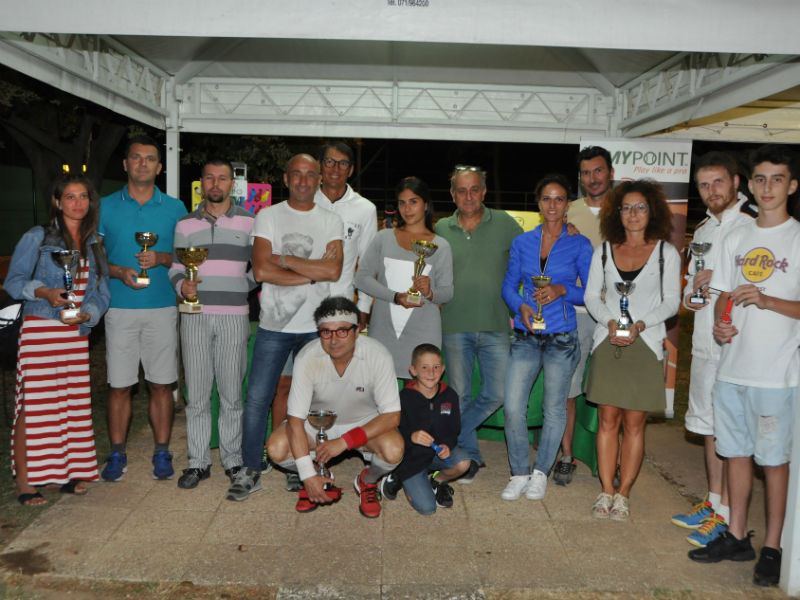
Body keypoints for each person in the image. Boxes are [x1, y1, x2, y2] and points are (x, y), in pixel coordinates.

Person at [689, 145, 800, 588]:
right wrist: (721, 323)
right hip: (731, 369)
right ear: (749, 185)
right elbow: (722, 295)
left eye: (777, 179)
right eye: (761, 179)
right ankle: (737, 535)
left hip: (776, 375)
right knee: (733, 453)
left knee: (773, 462)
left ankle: (772, 546)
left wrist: (769, 301)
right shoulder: (736, 237)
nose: (768, 187)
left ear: (792, 185)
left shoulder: (797, 238)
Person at [227, 153, 343, 502]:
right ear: (286, 178)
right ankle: (251, 468)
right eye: (297, 174)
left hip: (315, 328)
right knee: (257, 398)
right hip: (273, 327)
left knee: (309, 402)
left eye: (310, 174)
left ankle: (297, 466)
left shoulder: (331, 220)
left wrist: (284, 259)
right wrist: (311, 271)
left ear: (319, 179)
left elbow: (334, 271)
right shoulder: (268, 215)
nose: (303, 181)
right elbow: (261, 271)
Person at [271, 141, 378, 491]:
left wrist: (363, 308)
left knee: (336, 386)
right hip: (297, 308)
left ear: (351, 169)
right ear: (319, 166)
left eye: (342, 163)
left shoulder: (364, 209)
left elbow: (367, 265)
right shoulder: (303, 199)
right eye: (329, 162)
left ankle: (332, 451)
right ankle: (287, 457)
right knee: (287, 384)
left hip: (340, 312)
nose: (335, 169)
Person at [5, 173, 110, 505]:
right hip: (40, 329)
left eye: (83, 196)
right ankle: (24, 483)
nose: (78, 203)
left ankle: (65, 474)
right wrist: (45, 292)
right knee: (35, 406)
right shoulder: (38, 236)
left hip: (75, 334)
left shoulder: (95, 242)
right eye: (70, 197)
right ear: (57, 201)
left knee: (70, 405)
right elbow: (13, 281)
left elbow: (102, 292)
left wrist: (88, 314)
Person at [670, 152, 756, 547]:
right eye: (704, 185)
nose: (711, 191)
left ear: (736, 182)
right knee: (707, 426)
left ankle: (729, 518)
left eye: (718, 182)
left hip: (737, 346)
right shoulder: (703, 229)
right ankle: (714, 502)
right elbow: (693, 291)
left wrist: (715, 279)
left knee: (732, 432)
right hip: (705, 344)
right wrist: (692, 292)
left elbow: (754, 285)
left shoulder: (753, 225)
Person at [584, 179, 680, 521]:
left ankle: (623, 494)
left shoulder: (667, 254)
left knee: (635, 424)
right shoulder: (604, 251)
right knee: (607, 421)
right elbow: (591, 296)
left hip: (646, 344)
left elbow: (672, 302)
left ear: (652, 211)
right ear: (617, 213)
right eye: (626, 208)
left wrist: (639, 325)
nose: (633, 213)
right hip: (608, 342)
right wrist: (611, 322)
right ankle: (605, 490)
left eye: (640, 207)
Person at [265, 296, 404, 518]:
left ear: (357, 331)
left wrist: (345, 441)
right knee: (276, 448)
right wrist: (307, 475)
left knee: (394, 450)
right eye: (326, 332)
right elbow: (295, 420)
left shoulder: (378, 355)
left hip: (364, 424)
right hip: (316, 425)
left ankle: (367, 481)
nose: (333, 340)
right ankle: (318, 473)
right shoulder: (307, 356)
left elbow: (392, 416)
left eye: (342, 331)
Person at [499, 174, 592, 501]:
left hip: (562, 338)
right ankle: (518, 472)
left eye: (559, 199)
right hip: (526, 336)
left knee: (554, 409)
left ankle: (540, 473)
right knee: (513, 407)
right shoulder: (523, 242)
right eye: (546, 199)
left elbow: (590, 293)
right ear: (538, 204)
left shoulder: (580, 244)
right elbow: (508, 286)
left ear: (567, 205)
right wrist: (520, 306)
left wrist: (562, 289)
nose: (553, 205)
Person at [99, 135, 187, 481]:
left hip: (162, 306)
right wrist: (118, 271)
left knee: (161, 384)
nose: (143, 164)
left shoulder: (175, 208)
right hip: (118, 307)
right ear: (125, 164)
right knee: (119, 385)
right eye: (136, 158)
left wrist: (162, 258)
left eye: (150, 159)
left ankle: (162, 452)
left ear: (159, 167)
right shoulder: (104, 206)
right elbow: (94, 257)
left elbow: (187, 256)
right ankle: (117, 454)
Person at [168, 158, 255, 490]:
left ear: (232, 184)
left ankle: (232, 459)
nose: (215, 184)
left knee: (231, 394)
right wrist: (182, 287)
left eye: (222, 178)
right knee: (197, 394)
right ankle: (198, 462)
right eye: (209, 178)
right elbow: (176, 267)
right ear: (201, 183)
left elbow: (259, 267)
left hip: (234, 315)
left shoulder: (250, 221)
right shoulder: (185, 223)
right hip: (194, 315)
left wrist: (240, 287)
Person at [434, 165, 523, 483]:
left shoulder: (505, 223)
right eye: (462, 190)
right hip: (454, 324)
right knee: (459, 396)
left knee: (498, 393)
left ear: (484, 191)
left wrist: (565, 229)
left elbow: (532, 249)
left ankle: (447, 434)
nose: (468, 196)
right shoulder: (441, 228)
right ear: (452, 194)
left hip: (495, 324)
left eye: (474, 189)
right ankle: (469, 458)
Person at [554, 145, 615, 485]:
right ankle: (567, 456)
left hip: (614, 315)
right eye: (586, 173)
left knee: (611, 392)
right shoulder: (567, 211)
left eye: (598, 171)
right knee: (568, 388)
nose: (593, 178)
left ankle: (610, 460)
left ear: (610, 173)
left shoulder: (627, 210)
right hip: (575, 312)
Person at [355, 176, 453, 379]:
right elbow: (361, 278)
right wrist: (394, 297)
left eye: (413, 202)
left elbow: (447, 292)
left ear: (426, 205)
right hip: (383, 330)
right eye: (402, 203)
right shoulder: (383, 237)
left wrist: (430, 292)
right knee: (379, 391)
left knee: (418, 395)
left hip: (424, 333)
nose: (407, 209)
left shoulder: (441, 246)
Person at [381, 343, 471, 514]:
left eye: (436, 367)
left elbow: (454, 428)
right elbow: (391, 432)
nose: (431, 373)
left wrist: (447, 445)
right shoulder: (403, 398)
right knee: (427, 508)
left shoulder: (450, 395)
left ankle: (437, 481)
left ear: (443, 369)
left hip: (437, 454)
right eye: (424, 367)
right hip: (411, 459)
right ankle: (398, 475)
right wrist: (411, 436)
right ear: (413, 370)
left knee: (464, 462)